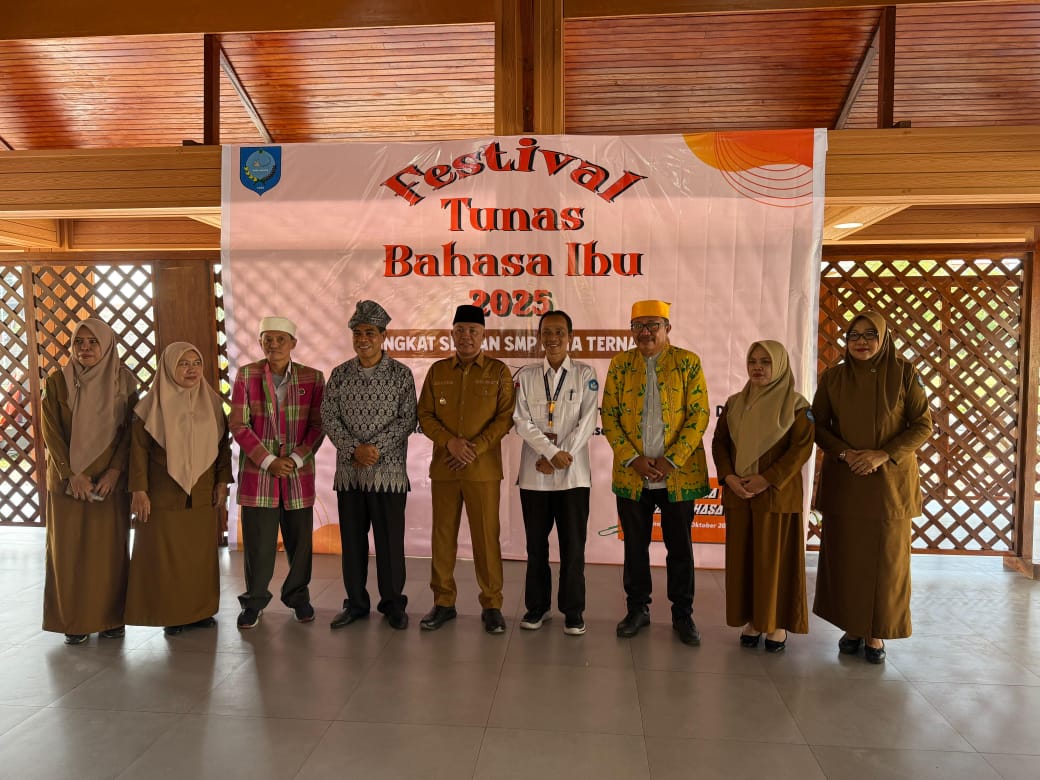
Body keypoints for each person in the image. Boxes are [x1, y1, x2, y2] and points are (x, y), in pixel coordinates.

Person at [811, 310, 932, 664]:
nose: (861, 342)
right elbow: (817, 426)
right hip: (846, 481)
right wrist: (846, 453)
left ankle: (875, 632)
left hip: (889, 485)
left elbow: (922, 425)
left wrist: (883, 454)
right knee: (847, 558)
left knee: (886, 564)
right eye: (854, 335)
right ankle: (852, 627)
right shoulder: (833, 378)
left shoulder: (904, 373)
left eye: (869, 335)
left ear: (883, 337)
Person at [601, 299, 710, 646]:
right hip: (633, 475)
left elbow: (699, 414)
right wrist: (633, 459)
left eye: (653, 325)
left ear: (668, 328)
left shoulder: (687, 362)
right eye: (638, 326)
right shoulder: (620, 365)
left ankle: (683, 614)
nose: (645, 332)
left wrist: (671, 460)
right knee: (635, 547)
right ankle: (637, 609)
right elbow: (609, 417)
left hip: (678, 474)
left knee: (680, 548)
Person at [416, 304, 515, 634]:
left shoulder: (498, 371)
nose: (466, 336)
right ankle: (443, 601)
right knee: (442, 536)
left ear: (483, 335)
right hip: (445, 468)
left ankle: (492, 605)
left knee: (486, 538)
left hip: (482, 470)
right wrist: (450, 443)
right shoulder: (438, 371)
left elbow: (505, 417)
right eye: (460, 330)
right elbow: (425, 414)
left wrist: (475, 448)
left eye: (473, 330)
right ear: (452, 334)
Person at [711, 340, 814, 653]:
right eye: (753, 361)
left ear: (780, 365)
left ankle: (776, 623)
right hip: (739, 494)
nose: (757, 367)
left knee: (774, 562)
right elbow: (720, 443)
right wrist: (729, 477)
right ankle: (753, 620)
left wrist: (766, 479)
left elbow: (801, 450)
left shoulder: (797, 406)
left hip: (776, 497)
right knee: (744, 561)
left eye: (766, 362)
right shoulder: (735, 404)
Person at [41, 318, 138, 645]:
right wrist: (71, 474)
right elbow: (51, 432)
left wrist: (114, 471)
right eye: (79, 342)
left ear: (107, 345)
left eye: (93, 341)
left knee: (109, 551)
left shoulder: (125, 381)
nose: (85, 348)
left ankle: (111, 618)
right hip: (68, 483)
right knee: (68, 552)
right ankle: (75, 620)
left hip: (109, 482)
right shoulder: (57, 381)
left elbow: (131, 433)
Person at [321, 300, 417, 630]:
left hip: (388, 474)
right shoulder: (340, 374)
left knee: (390, 543)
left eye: (370, 333)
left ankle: (393, 605)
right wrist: (354, 449)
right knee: (352, 543)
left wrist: (374, 449)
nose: (363, 339)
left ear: (383, 336)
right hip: (350, 474)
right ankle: (356, 604)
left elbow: (408, 419)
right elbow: (328, 417)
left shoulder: (401, 375)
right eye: (358, 333)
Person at [126, 342, 231, 635]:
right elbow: (137, 452)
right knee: (166, 558)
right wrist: (139, 491)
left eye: (196, 363)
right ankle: (171, 615)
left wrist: (222, 482)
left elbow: (223, 448)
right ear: (168, 368)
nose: (191, 369)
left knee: (199, 557)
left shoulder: (212, 403)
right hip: (162, 495)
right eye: (183, 364)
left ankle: (200, 612)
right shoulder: (148, 407)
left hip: (202, 493)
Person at [230, 316, 325, 629]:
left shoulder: (313, 378)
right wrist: (268, 460)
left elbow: (318, 425)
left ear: (293, 343)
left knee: (300, 544)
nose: (273, 345)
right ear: (260, 342)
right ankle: (254, 603)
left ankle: (298, 598)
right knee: (258, 545)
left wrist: (296, 458)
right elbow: (238, 425)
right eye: (267, 339)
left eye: (280, 339)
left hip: (298, 475)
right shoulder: (247, 375)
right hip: (259, 476)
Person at [513, 310, 598, 636]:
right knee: (536, 547)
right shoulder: (528, 376)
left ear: (570, 337)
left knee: (573, 548)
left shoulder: (585, 374)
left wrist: (560, 456)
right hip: (534, 476)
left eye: (559, 332)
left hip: (573, 478)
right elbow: (522, 421)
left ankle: (573, 612)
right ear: (539, 337)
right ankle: (538, 607)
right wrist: (550, 453)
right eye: (547, 332)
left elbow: (587, 422)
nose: (553, 338)